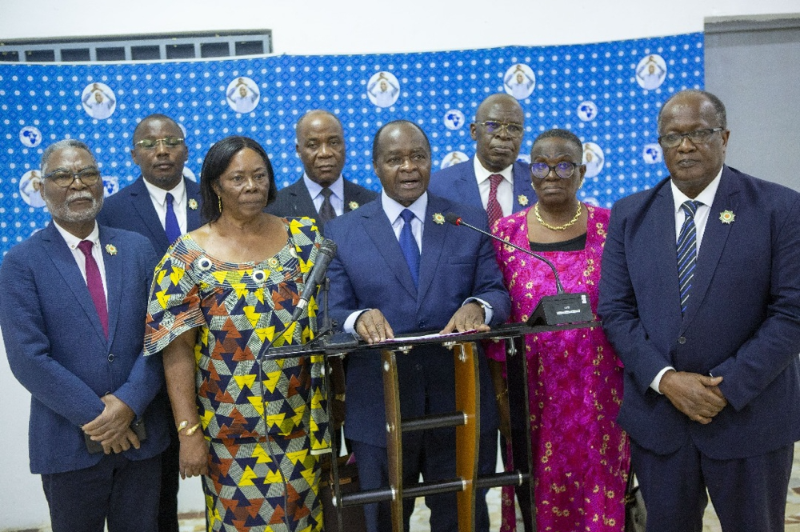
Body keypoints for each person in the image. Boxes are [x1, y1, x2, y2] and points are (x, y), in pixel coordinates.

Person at [598, 89, 800, 532]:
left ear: (724, 137)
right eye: (673, 137)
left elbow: (791, 313)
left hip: (749, 419)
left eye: (700, 133)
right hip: (661, 422)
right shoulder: (629, 215)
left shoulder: (780, 208)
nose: (685, 146)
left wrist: (724, 388)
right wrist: (666, 380)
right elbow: (615, 310)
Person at [325, 120, 510, 532]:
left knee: (463, 520)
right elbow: (331, 311)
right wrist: (358, 319)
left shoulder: (465, 220)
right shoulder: (343, 231)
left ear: (430, 161)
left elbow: (495, 290)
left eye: (418, 157)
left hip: (459, 401)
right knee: (383, 522)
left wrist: (478, 307)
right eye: (395, 159)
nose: (408, 167)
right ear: (376, 166)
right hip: (380, 409)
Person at [143, 136, 331, 532]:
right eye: (238, 178)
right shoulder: (185, 257)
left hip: (299, 428)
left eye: (260, 176)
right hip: (228, 436)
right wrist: (189, 433)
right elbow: (176, 353)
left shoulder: (305, 239)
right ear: (215, 185)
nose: (252, 187)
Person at [0, 139, 169, 532]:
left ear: (101, 182)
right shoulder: (21, 262)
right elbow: (28, 358)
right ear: (41, 188)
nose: (77, 184)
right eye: (62, 176)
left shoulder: (137, 249)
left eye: (87, 173)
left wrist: (128, 404)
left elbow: (161, 335)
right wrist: (103, 419)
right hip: (68, 444)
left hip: (141, 437)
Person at [487, 129, 629, 531]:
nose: (552, 174)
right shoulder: (505, 234)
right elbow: (497, 322)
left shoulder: (611, 227)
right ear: (528, 173)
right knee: (539, 496)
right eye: (541, 166)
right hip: (533, 394)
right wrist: (501, 400)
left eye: (564, 165)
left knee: (600, 496)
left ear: (582, 172)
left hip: (601, 394)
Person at [97, 113, 202, 532]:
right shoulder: (112, 211)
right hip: (152, 373)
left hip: (223, 365)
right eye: (149, 144)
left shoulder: (216, 197)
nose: (161, 151)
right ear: (133, 155)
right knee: (157, 498)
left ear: (186, 150)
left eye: (171, 141)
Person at [429, 93, 537, 229]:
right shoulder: (439, 186)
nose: (503, 135)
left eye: (513, 128)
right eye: (493, 125)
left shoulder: (539, 183)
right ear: (474, 131)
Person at [267, 110, 378, 234]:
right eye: (313, 145)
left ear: (344, 145)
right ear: (299, 151)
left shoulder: (372, 203)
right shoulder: (276, 208)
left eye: (333, 143)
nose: (325, 153)